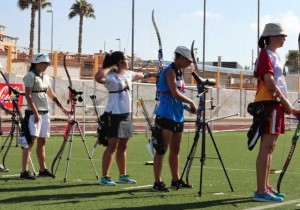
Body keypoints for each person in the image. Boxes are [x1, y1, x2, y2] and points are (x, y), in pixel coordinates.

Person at [252, 23, 300, 202]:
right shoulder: (265, 54)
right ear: (272, 36)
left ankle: (265, 186)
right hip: (268, 104)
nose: (285, 38)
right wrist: (289, 105)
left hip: (276, 105)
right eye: (282, 35)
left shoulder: (275, 55)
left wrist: (286, 106)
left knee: (270, 147)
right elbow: (270, 84)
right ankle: (260, 190)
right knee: (266, 147)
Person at [94, 51, 156, 186]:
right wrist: (111, 67)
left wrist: (153, 74)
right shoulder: (110, 76)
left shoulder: (128, 74)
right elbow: (98, 77)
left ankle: (123, 175)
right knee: (112, 146)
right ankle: (105, 177)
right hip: (114, 115)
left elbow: (142, 75)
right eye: (126, 59)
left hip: (126, 114)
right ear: (120, 62)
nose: (129, 61)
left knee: (123, 146)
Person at [152, 46, 197, 192]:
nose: (189, 64)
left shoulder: (179, 73)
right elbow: (175, 93)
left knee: (175, 149)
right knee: (161, 149)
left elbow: (179, 97)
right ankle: (157, 182)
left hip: (178, 116)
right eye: (188, 61)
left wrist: (187, 108)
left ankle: (175, 179)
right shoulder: (170, 71)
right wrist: (190, 102)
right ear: (181, 58)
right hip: (166, 114)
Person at [21, 53, 68, 179]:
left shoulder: (46, 77)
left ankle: (43, 169)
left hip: (45, 113)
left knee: (42, 141)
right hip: (34, 114)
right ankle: (24, 171)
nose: (46, 65)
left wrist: (62, 108)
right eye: (44, 63)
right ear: (37, 63)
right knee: (30, 141)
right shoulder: (30, 76)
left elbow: (51, 94)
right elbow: (28, 95)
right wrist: (35, 112)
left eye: (47, 63)